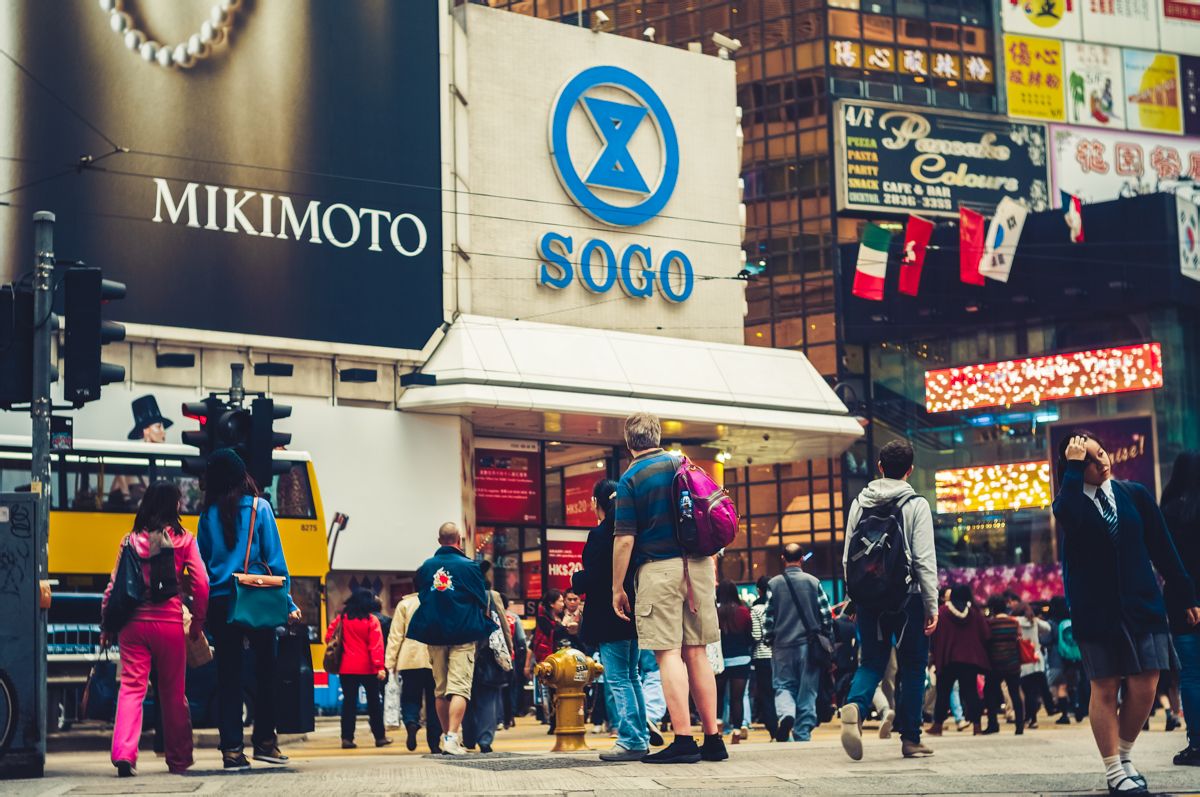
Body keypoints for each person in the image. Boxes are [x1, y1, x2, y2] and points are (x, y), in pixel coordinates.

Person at [1053, 432, 1200, 794]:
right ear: (1073, 467)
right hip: (1096, 610)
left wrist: (1185, 594)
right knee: (1105, 686)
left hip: (1143, 604)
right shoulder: (1070, 502)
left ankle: (1123, 757)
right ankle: (1115, 770)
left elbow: (1162, 545)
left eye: (1100, 453)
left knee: (1146, 685)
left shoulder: (1134, 494)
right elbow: (1068, 515)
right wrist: (1072, 471)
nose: (1100, 462)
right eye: (1087, 460)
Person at [612, 413, 725, 765]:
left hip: (659, 570)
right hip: (699, 567)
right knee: (697, 651)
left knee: (668, 653)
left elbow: (625, 539)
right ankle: (713, 738)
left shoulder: (631, 478)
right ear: (657, 436)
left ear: (630, 441)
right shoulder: (684, 464)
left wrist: (617, 586)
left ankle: (683, 740)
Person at [197, 449, 300, 771]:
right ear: (243, 476)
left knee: (228, 677)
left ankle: (231, 750)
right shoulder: (260, 508)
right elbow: (275, 560)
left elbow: (201, 565)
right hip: (255, 597)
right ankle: (265, 742)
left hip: (220, 601)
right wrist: (289, 603)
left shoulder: (207, 514)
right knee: (265, 672)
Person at [838, 439, 938, 760]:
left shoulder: (860, 503)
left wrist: (854, 597)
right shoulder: (915, 505)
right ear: (909, 470)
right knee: (912, 666)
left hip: (869, 599)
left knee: (871, 661)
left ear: (880, 466)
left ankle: (855, 704)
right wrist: (931, 605)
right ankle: (911, 738)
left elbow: (846, 558)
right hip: (907, 600)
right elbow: (924, 560)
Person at [101, 481, 209, 777]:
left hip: (132, 627)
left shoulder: (130, 541)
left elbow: (113, 586)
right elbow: (202, 584)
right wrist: (198, 622)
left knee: (132, 689)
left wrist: (106, 625)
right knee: (174, 693)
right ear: (174, 505)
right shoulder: (184, 539)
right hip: (169, 624)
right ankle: (179, 759)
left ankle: (124, 753)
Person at [571, 478, 650, 761]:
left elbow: (594, 576)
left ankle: (631, 739)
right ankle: (640, 735)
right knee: (633, 677)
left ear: (596, 503)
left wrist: (575, 579)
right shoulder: (632, 532)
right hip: (633, 612)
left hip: (608, 615)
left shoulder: (601, 534)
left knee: (619, 679)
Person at [406, 522, 497, 756]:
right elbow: (481, 600)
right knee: (460, 688)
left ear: (439, 541)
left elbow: (422, 595)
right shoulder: (470, 567)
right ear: (459, 540)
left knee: (440, 689)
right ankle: (452, 737)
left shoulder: (426, 567)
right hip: (463, 633)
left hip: (434, 635)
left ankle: (447, 737)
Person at [765, 544, 832, 743]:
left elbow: (769, 617)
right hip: (809, 646)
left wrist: (769, 638)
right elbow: (826, 615)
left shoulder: (774, 584)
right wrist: (825, 637)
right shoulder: (813, 582)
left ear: (783, 558)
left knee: (783, 686)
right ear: (802, 558)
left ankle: (786, 714)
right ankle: (802, 733)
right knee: (807, 690)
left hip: (782, 646)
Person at [1160, 450, 1200, 765]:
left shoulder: (1170, 512)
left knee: (1191, 674)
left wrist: (1188, 599)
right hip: (1187, 599)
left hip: (1181, 603)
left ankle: (1197, 744)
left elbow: (1168, 563)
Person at [327, 588, 390, 749]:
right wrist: (379, 667)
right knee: (374, 703)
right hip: (368, 669)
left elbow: (329, 636)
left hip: (347, 668)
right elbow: (376, 646)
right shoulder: (371, 621)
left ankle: (347, 739)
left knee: (349, 704)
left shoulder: (342, 619)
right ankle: (379, 737)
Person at [384, 590, 442, 753]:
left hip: (409, 659)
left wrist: (390, 661)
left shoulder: (404, 605)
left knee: (410, 696)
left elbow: (395, 636)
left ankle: (411, 722)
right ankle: (434, 743)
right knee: (435, 700)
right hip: (435, 659)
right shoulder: (438, 602)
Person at [928, 584, 988, 736]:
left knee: (943, 692)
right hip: (969, 661)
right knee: (971, 693)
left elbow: (934, 637)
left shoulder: (942, 612)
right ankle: (977, 726)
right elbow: (986, 634)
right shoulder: (974, 613)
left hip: (948, 660)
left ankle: (938, 726)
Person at [462, 586, 514, 753]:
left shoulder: (461, 591)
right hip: (488, 654)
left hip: (463, 651)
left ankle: (468, 738)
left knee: (464, 696)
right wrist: (508, 651)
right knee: (488, 699)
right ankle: (485, 739)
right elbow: (503, 624)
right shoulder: (492, 596)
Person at [981, 595, 1024, 735]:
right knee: (1015, 694)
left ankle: (993, 724)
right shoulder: (1014, 622)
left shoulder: (990, 623)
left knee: (990, 694)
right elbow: (1019, 639)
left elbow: (985, 642)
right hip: (1013, 663)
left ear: (992, 608)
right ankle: (1019, 726)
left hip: (995, 665)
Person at [715, 580, 752, 744]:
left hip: (720, 661)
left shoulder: (715, 613)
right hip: (741, 659)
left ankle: (717, 727)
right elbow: (750, 636)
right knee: (737, 699)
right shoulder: (744, 612)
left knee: (718, 696)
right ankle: (736, 733)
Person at [527, 589, 569, 731]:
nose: (563, 604)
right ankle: (553, 721)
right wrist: (565, 626)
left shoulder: (560, 616)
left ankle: (562, 719)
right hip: (549, 660)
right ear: (552, 604)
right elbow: (553, 632)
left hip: (563, 658)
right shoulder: (543, 618)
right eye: (560, 601)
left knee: (562, 690)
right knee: (550, 691)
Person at [749, 576, 778, 739]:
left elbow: (757, 635)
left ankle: (774, 730)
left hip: (762, 656)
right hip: (780, 655)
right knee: (781, 691)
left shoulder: (756, 609)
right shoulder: (778, 606)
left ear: (758, 590)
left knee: (766, 695)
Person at [1018, 602, 1052, 729]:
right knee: (1035, 691)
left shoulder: (1015, 621)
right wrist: (1036, 620)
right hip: (1036, 660)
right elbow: (1048, 628)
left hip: (1023, 662)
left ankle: (1029, 718)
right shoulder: (1035, 622)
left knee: (1027, 692)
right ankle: (1033, 719)